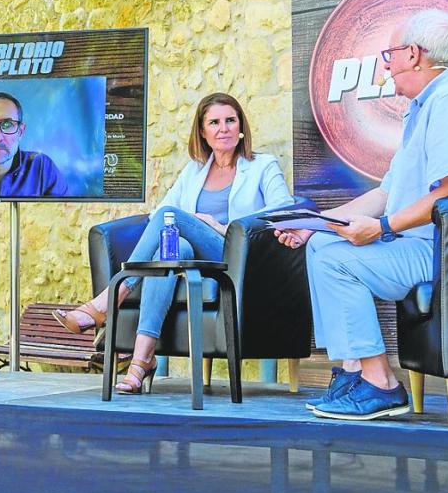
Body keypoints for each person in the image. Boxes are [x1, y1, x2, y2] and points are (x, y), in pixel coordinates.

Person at [276, 9, 448, 421]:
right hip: (429, 245)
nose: (386, 66)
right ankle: (354, 371)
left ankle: (380, 384)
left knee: (335, 261)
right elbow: (385, 194)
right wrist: (315, 225)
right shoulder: (425, 107)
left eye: (389, 55)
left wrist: (383, 228)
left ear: (414, 54)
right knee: (321, 246)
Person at [54, 92, 294, 394]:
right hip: (197, 259)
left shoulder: (262, 166)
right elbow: (159, 214)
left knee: (171, 217)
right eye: (214, 122)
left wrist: (220, 226)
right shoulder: (195, 171)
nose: (224, 128)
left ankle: (109, 298)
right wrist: (187, 225)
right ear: (202, 132)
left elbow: (284, 210)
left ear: (241, 127)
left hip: (236, 256)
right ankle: (141, 361)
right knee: (172, 250)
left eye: (230, 120)